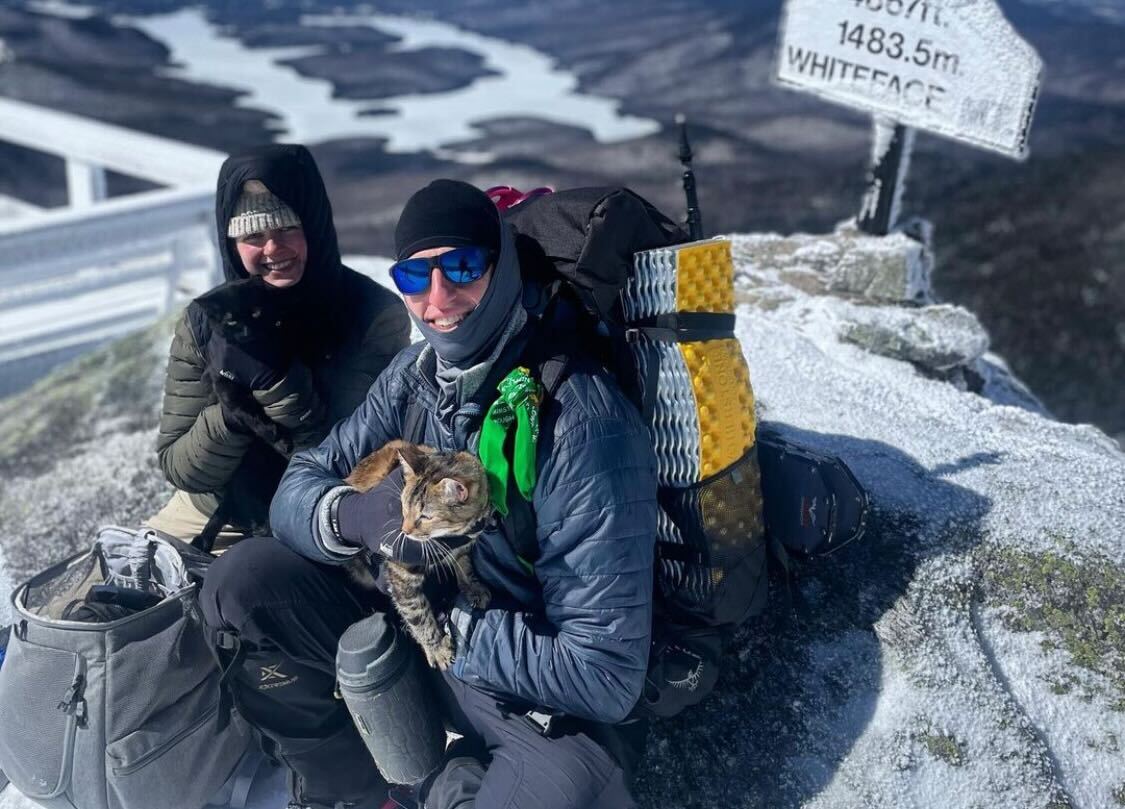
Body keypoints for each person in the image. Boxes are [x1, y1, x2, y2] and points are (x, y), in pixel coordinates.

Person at [199, 179, 658, 809]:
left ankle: (450, 782)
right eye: (414, 277)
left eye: (462, 267)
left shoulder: (581, 423)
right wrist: (348, 515)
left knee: (567, 784)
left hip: (519, 682)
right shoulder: (413, 379)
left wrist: (446, 626)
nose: (438, 298)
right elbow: (299, 487)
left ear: (500, 271)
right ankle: (365, 789)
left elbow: (604, 675)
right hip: (416, 614)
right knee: (243, 582)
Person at [147, 144, 411, 547]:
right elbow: (179, 467)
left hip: (316, 515)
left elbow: (350, 461)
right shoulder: (206, 319)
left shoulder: (372, 315)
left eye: (288, 228)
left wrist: (277, 382)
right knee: (102, 588)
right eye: (253, 235)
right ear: (232, 243)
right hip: (215, 507)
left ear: (314, 227)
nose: (273, 249)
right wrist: (233, 417)